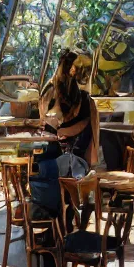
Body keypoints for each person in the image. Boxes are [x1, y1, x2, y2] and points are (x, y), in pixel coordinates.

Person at [31, 49, 99, 221]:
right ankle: (52, 217)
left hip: (75, 160)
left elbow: (76, 129)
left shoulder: (83, 99)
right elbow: (45, 121)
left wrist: (57, 130)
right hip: (57, 155)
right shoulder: (51, 91)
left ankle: (53, 217)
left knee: (42, 170)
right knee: (39, 167)